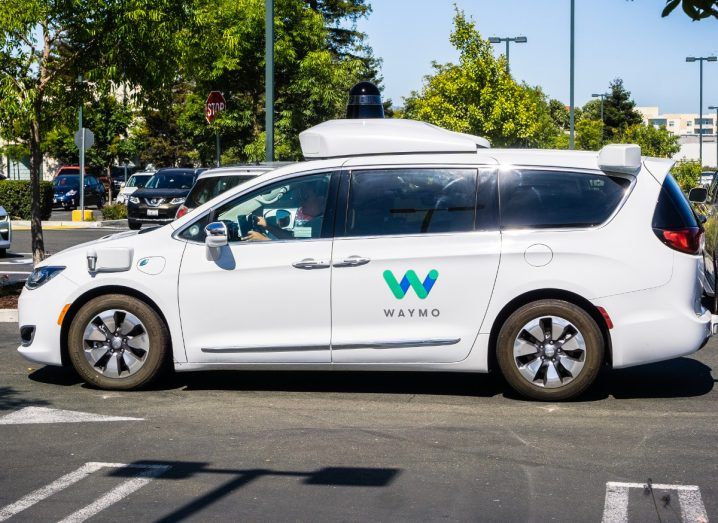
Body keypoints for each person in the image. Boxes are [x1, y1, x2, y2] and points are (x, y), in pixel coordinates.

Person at [242, 180, 326, 241]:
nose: (302, 201)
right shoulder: (316, 223)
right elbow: (292, 237)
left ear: (321, 200)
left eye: (306, 197)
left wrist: (264, 240)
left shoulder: (319, 224)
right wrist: (266, 225)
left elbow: (294, 248)